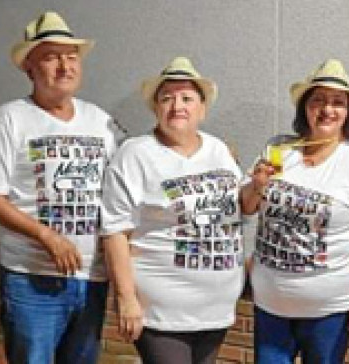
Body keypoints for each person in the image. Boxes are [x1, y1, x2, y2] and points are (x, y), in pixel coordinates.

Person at [0, 11, 116, 363]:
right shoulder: (12, 117)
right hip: (32, 280)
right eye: (51, 57)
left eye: (71, 57)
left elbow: (127, 182)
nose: (64, 66)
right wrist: (46, 235)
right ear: (29, 67)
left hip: (91, 275)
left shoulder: (101, 121)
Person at [242, 59, 349, 363]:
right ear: (304, 108)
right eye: (318, 100)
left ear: (348, 113)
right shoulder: (280, 150)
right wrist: (256, 185)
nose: (327, 109)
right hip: (271, 305)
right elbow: (247, 207)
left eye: (338, 102)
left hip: (329, 310)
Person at [101, 57, 244, 364]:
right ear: (156, 108)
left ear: (202, 109)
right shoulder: (135, 154)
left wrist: (257, 186)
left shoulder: (218, 150)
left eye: (187, 98)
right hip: (162, 312)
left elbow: (240, 207)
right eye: (167, 98)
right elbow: (115, 232)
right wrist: (125, 299)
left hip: (215, 311)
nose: (177, 105)